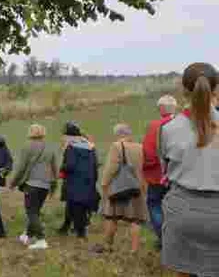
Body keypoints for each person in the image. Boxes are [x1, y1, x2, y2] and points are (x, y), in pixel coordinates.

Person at [160, 62, 219, 277]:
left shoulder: (168, 129)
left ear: (184, 90)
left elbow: (165, 167)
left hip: (182, 210)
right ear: (216, 90)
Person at [97, 123, 146, 253]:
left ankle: (108, 245)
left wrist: (104, 183)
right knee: (135, 219)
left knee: (112, 216)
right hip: (137, 187)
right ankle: (134, 250)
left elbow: (112, 168)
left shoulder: (116, 146)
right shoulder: (140, 147)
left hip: (119, 188)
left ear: (118, 134)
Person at [10, 124, 59, 251]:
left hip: (32, 184)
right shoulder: (50, 147)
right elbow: (55, 169)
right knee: (35, 211)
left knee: (31, 212)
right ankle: (27, 235)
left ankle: (41, 239)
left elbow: (21, 167)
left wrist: (13, 182)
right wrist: (54, 187)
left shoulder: (27, 146)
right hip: (46, 184)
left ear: (30, 133)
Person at [142, 95, 179, 248]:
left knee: (154, 203)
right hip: (179, 175)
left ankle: (164, 240)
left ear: (161, 109)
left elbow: (149, 152)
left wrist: (147, 167)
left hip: (158, 174)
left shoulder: (155, 126)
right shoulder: (184, 124)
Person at [59, 122, 100, 238]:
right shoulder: (90, 146)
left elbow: (70, 165)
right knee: (80, 206)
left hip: (75, 181)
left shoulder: (72, 147)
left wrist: (62, 168)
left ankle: (80, 233)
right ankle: (70, 228)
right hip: (88, 180)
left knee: (76, 207)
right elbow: (95, 164)